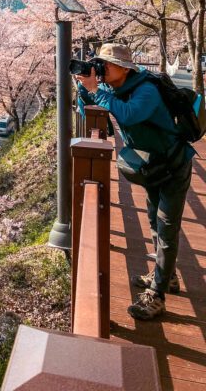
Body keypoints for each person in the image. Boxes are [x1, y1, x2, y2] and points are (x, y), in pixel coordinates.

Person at [76, 43, 194, 321]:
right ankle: (166, 275)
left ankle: (158, 294)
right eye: (100, 64)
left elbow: (130, 114)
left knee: (166, 225)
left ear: (124, 68)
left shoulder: (146, 90)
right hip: (153, 164)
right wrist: (84, 91)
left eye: (106, 64)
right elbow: (88, 111)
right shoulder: (114, 89)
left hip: (174, 164)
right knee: (154, 219)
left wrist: (96, 91)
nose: (101, 69)